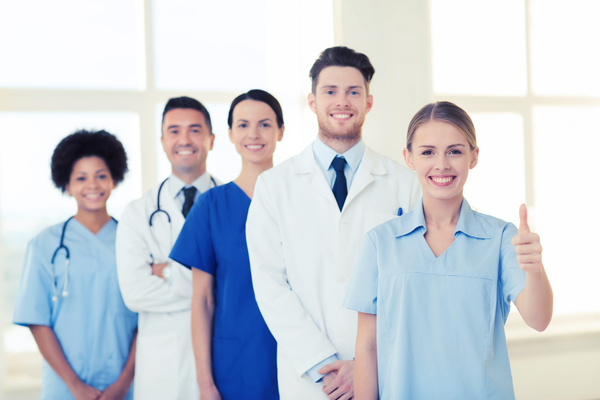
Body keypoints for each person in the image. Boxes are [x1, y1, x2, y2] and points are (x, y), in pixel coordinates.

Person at [345, 101, 554, 399]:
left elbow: (539, 319)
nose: (441, 164)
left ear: (473, 156)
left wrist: (534, 268)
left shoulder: (501, 238)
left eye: (454, 151)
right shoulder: (381, 242)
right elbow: (367, 344)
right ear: (409, 157)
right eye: (428, 152)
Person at [246, 46, 421, 399]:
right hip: (311, 380)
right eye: (330, 92)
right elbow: (269, 284)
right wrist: (321, 363)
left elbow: (416, 283)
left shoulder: (406, 184)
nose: (342, 101)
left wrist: (364, 364)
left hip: (383, 371)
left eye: (354, 92)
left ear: (368, 102)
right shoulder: (275, 185)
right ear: (312, 101)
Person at [170, 89, 284, 400]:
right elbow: (202, 300)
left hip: (296, 354)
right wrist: (205, 384)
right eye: (243, 125)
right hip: (235, 363)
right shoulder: (210, 206)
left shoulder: (299, 201)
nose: (254, 134)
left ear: (281, 132)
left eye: (265, 124)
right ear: (231, 134)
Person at [13, 129, 138, 400]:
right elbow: (37, 320)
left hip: (124, 384)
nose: (92, 185)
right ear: (66, 185)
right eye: (81, 178)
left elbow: (146, 319)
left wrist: (123, 384)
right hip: (65, 386)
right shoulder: (44, 244)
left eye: (101, 175)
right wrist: (74, 385)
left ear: (115, 180)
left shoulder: (134, 241)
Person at [116, 96, 219, 400]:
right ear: (162, 141)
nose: (184, 139)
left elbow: (247, 286)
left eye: (195, 130)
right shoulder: (138, 212)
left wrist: (166, 272)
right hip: (163, 368)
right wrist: (210, 284)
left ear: (211, 140)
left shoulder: (234, 204)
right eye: (174, 131)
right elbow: (134, 293)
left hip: (222, 355)